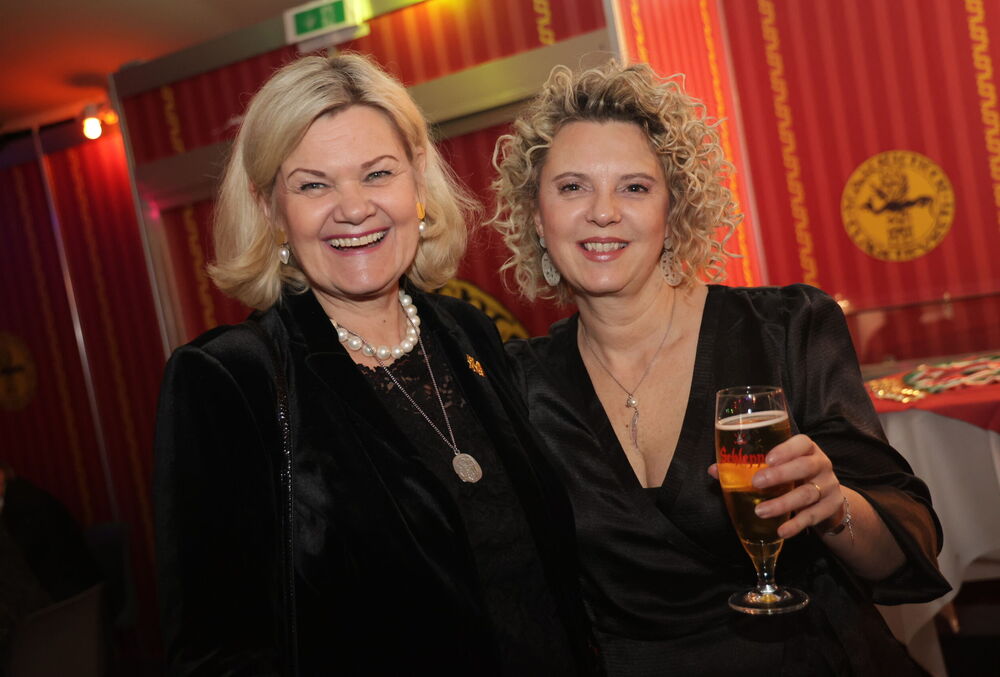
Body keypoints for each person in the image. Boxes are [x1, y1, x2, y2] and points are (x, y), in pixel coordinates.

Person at [492, 61, 950, 676]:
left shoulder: (785, 329)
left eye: (634, 187)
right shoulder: (518, 382)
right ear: (536, 216)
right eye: (572, 187)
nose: (602, 212)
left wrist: (834, 503)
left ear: (673, 211)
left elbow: (907, 552)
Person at [154, 53, 599, 676]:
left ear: (417, 183)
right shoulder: (229, 381)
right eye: (314, 185)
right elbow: (218, 653)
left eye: (378, 174)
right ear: (271, 209)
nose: (354, 207)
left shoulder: (468, 333)